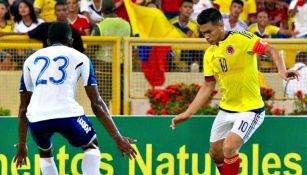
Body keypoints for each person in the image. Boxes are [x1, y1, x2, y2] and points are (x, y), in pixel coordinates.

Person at [170, 8, 299, 175]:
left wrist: (282, 71)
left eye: (209, 31)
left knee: (229, 147)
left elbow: (271, 50)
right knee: (216, 153)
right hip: (227, 109)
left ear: (221, 26)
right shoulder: (209, 54)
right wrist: (187, 113)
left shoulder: (241, 38)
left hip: (250, 109)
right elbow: (208, 86)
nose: (206, 36)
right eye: (203, 33)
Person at [13, 22, 137, 175]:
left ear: (48, 41)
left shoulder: (30, 61)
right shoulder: (81, 58)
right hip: (68, 116)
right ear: (71, 41)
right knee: (91, 146)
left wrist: (22, 144)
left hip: (37, 119)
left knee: (45, 151)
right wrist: (118, 138)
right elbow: (96, 103)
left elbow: (24, 107)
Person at [0, 1, 85, 53]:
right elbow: (26, 34)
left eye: (64, 10)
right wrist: (5, 33)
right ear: (55, 12)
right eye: (59, 10)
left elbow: (80, 52)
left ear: (68, 11)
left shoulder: (74, 32)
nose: (61, 13)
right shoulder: (45, 27)